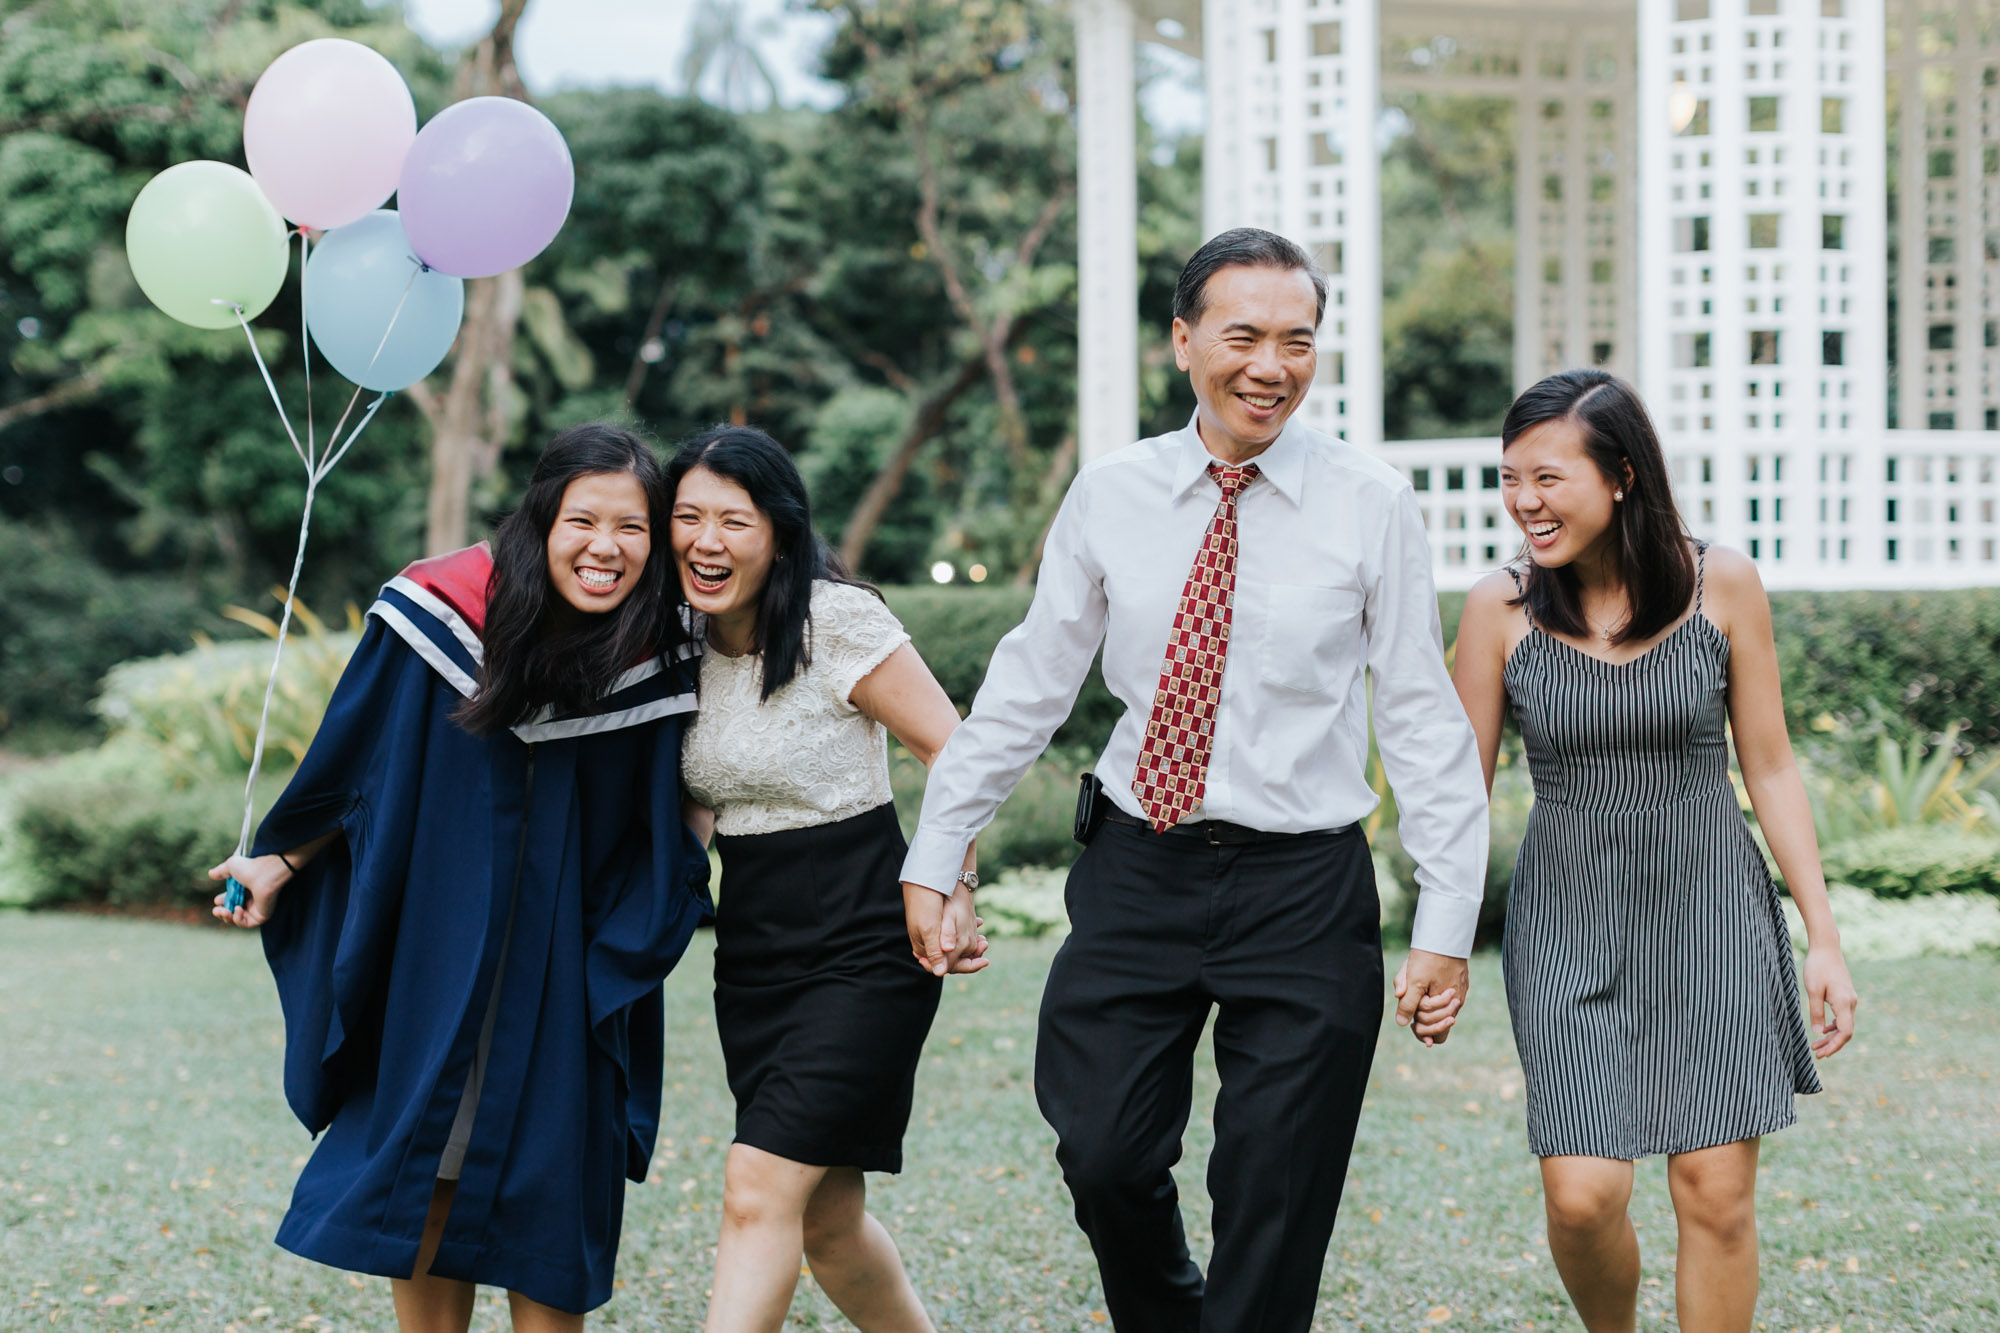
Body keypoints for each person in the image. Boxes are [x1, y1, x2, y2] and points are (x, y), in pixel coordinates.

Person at [898, 227, 1489, 1333]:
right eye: (1244, 336)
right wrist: (938, 848)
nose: (1271, 365)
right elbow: (1030, 681)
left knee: (1275, 1192)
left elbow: (1415, 709)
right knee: (1104, 1153)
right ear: (1182, 341)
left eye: (1298, 341)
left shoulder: (1368, 501)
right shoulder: (1111, 493)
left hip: (1303, 888)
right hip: (1138, 867)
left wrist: (1442, 916)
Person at [208, 424, 709, 1332]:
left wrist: (648, 923)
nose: (607, 548)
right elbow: (355, 759)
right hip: (435, 946)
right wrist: (277, 862)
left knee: (556, 1178)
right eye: (584, 520)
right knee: (430, 1161)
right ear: (541, 514)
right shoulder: (436, 612)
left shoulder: (663, 652)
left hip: (569, 963)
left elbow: (677, 809)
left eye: (633, 527)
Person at [1450, 369, 1859, 1333]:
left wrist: (1824, 936)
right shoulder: (1496, 608)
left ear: (1623, 475)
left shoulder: (1723, 581)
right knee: (1583, 1196)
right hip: (1566, 918)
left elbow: (1770, 764)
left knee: (1714, 1193)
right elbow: (1455, 793)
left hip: (1711, 901)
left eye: (1548, 478)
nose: (1524, 503)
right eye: (1511, 479)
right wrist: (1439, 939)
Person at [666, 426, 985, 1333]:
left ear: (779, 532)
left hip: (865, 940)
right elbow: (697, 798)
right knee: (828, 1223)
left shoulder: (834, 619)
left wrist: (954, 885)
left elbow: (953, 751)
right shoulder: (676, 638)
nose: (707, 540)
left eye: (735, 519)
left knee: (755, 1182)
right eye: (687, 517)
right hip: (756, 950)